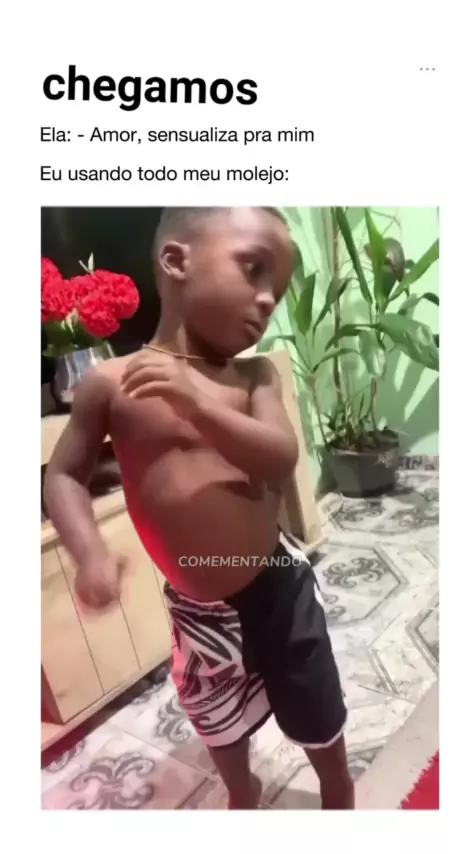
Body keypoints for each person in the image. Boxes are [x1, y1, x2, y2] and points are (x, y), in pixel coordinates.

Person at [44, 207, 354, 810]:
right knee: (213, 711)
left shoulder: (254, 376)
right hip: (194, 605)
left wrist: (198, 404)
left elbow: (280, 455)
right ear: (175, 261)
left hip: (276, 587)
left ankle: (336, 785)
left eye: (277, 292)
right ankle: (241, 789)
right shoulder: (111, 382)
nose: (266, 301)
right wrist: (89, 553)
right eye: (254, 269)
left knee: (313, 696)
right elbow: (64, 475)